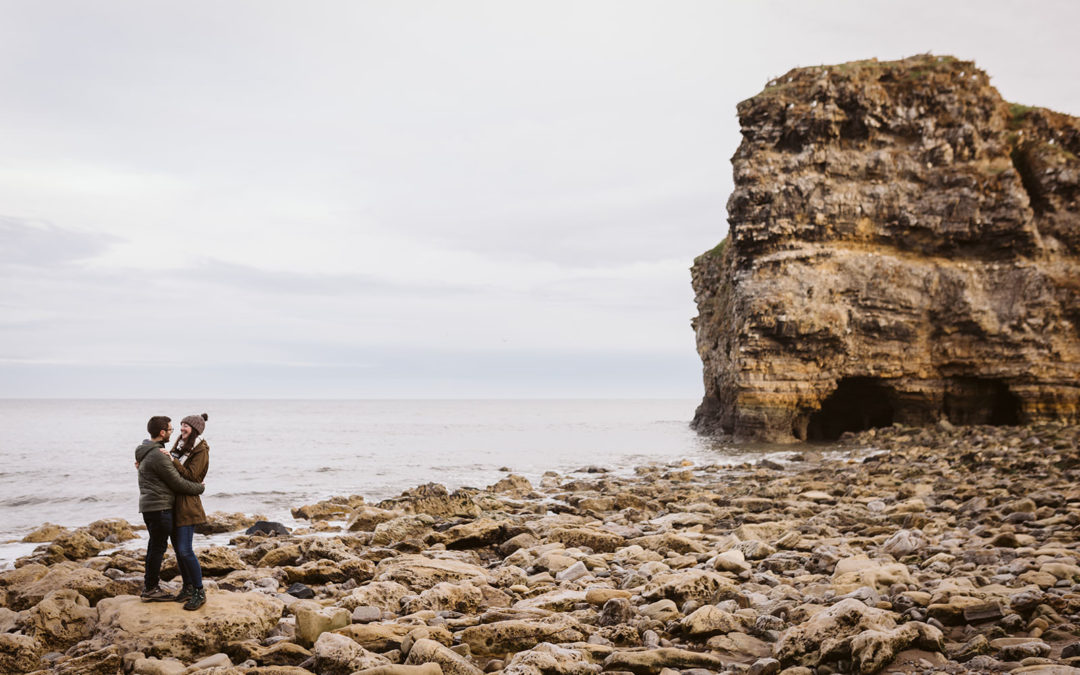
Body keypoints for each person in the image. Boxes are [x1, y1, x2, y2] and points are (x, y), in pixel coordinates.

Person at [135, 416, 205, 602]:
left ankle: (189, 588)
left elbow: (188, 474)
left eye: (183, 426)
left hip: (156, 507)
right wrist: (201, 488)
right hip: (160, 508)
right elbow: (178, 482)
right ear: (162, 433)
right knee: (160, 549)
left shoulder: (146, 451)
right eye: (173, 429)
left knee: (167, 548)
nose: (177, 431)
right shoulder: (159, 454)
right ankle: (151, 588)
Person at [168, 413, 210, 610]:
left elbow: (192, 477)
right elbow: (170, 468)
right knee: (178, 550)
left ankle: (199, 592)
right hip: (175, 503)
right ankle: (187, 587)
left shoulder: (200, 450)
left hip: (188, 504)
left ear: (195, 430)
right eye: (181, 424)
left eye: (186, 425)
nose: (182, 428)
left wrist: (172, 461)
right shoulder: (181, 445)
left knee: (185, 550)